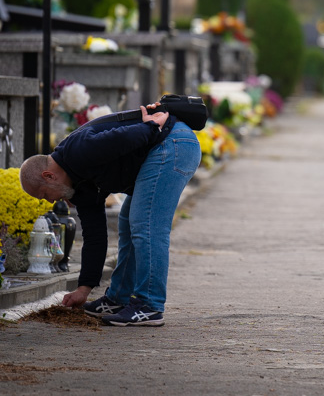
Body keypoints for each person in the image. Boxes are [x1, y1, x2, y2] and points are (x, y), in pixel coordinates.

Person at [19, 103, 201, 327]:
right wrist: (84, 289)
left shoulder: (78, 151)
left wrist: (152, 125)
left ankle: (149, 306)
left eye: (44, 194)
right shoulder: (78, 187)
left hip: (172, 143)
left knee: (146, 224)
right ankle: (118, 299)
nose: (49, 201)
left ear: (49, 176)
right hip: (162, 145)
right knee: (127, 223)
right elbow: (95, 236)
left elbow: (124, 138)